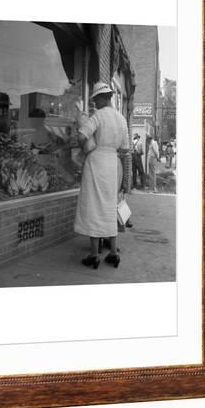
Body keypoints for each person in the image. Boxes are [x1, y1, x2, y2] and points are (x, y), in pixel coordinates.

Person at [74, 82, 130, 270]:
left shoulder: (98, 116)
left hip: (96, 162)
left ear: (103, 97)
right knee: (108, 207)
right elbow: (125, 148)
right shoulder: (121, 119)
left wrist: (84, 148)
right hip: (112, 164)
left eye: (96, 98)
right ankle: (113, 254)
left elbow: (82, 135)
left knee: (93, 206)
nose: (95, 102)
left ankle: (94, 255)